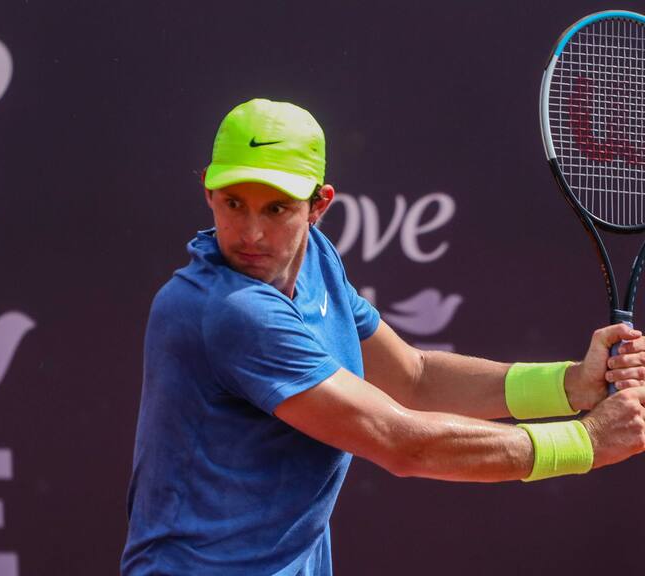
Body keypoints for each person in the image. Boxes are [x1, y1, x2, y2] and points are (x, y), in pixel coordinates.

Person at [121, 98, 645, 576]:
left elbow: (412, 377)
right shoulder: (227, 312)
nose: (251, 233)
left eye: (276, 208)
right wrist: (588, 442)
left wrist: (569, 385)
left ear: (319, 205)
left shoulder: (317, 261)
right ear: (208, 192)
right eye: (234, 203)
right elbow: (402, 442)